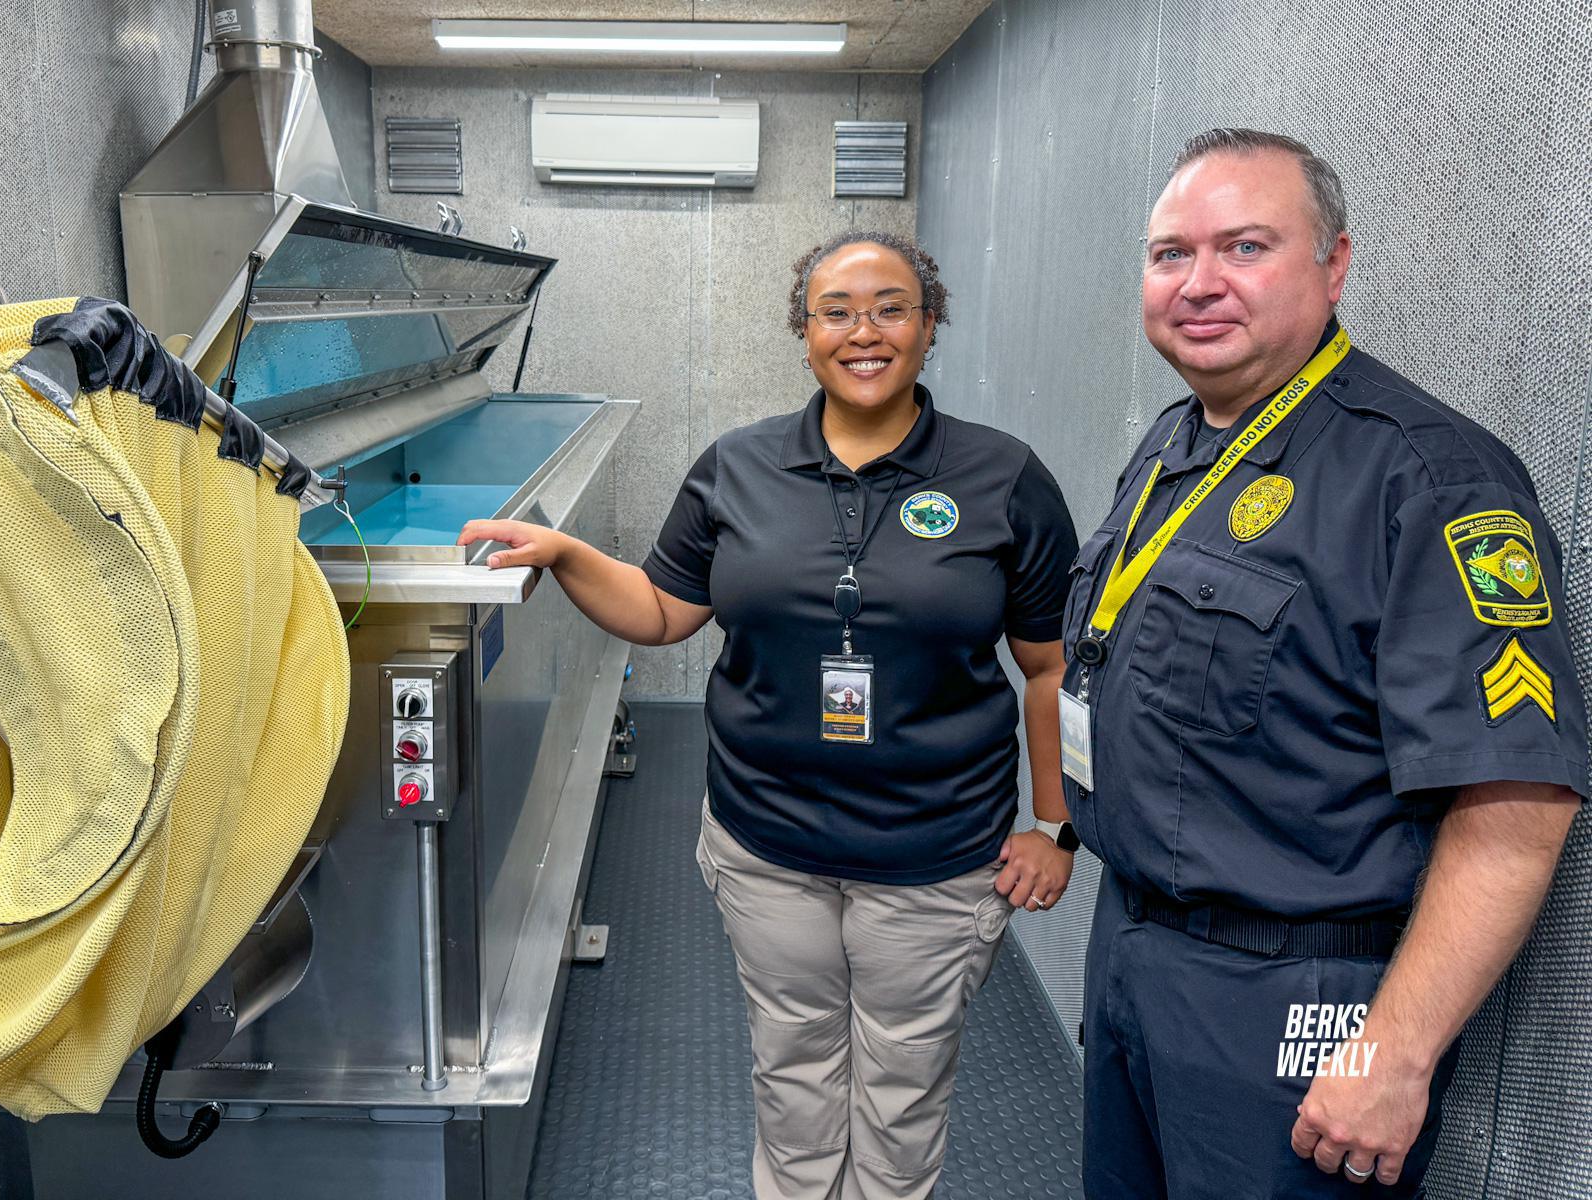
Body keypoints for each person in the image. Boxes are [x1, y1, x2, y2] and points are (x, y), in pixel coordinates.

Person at [460, 230, 1081, 1199]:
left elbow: (1048, 669)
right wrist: (569, 554)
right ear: (804, 331)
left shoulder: (1003, 478)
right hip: (768, 847)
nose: (864, 331)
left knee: (903, 1097)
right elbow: (662, 611)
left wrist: (1054, 825)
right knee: (792, 1076)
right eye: (837, 311)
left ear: (930, 325)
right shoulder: (736, 467)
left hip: (937, 859)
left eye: (891, 308)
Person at [1062, 128, 1588, 1199]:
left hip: (1294, 998)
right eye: (1171, 254)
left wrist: (1395, 1053)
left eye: (1245, 246)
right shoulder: (1174, 443)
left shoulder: (1431, 481)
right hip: (1136, 952)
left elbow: (1516, 804)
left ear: (1333, 264)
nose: (1199, 283)